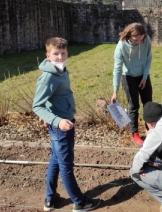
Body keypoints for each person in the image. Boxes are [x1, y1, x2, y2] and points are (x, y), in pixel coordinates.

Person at [32, 37, 100, 212]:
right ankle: (80, 202)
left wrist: (49, 115)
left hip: (63, 122)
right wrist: (57, 120)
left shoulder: (61, 70)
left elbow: (49, 101)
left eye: (63, 53)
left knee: (55, 159)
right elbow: (37, 105)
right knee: (66, 165)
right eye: (56, 54)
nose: (60, 57)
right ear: (48, 55)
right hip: (61, 127)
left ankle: (50, 198)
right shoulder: (48, 77)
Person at [111, 22, 152, 146]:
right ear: (129, 35)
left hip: (143, 75)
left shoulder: (146, 39)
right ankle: (134, 133)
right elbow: (117, 69)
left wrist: (145, 77)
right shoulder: (121, 46)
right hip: (128, 77)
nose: (138, 42)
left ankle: (149, 129)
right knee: (134, 105)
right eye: (136, 40)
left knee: (148, 103)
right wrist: (115, 90)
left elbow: (148, 58)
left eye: (141, 39)